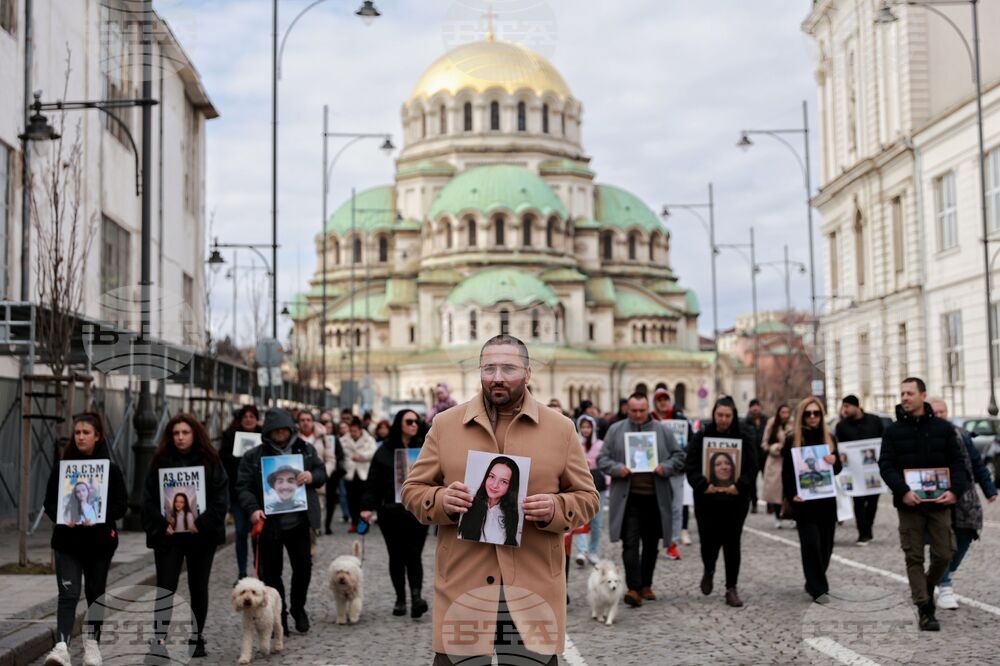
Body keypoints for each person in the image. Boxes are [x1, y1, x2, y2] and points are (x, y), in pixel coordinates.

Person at [401, 334, 598, 665]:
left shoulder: (560, 429)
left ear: (527, 373)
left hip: (532, 591)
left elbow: (588, 498)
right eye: (489, 368)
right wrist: (441, 499)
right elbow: (412, 489)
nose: (497, 377)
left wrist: (556, 508)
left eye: (508, 368)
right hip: (463, 587)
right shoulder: (446, 424)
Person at [879, 378, 966, 631]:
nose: (904, 397)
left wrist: (954, 492)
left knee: (945, 553)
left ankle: (926, 586)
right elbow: (886, 465)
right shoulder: (893, 431)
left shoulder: (943, 428)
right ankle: (925, 608)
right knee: (913, 555)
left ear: (922, 395)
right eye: (902, 393)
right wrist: (903, 491)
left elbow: (958, 463)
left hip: (939, 503)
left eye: (909, 393)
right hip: (909, 505)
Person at [43, 413, 128, 666]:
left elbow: (121, 506)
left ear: (97, 436)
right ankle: (61, 647)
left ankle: (92, 647)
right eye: (77, 432)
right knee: (68, 594)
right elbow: (48, 502)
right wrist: (61, 516)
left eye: (86, 432)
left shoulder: (110, 470)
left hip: (98, 543)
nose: (80, 436)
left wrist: (100, 517)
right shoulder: (62, 468)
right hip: (67, 541)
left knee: (95, 593)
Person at [142, 413, 229, 660]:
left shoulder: (211, 461)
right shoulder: (160, 461)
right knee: (165, 587)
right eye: (175, 433)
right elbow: (148, 499)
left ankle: (197, 636)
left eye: (185, 432)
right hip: (168, 536)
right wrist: (162, 524)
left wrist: (199, 523)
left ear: (195, 434)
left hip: (201, 536)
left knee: (198, 586)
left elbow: (221, 498)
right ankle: (158, 639)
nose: (180, 437)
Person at [237, 408, 327, 635]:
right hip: (269, 525)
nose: (279, 433)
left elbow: (321, 472)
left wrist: (312, 476)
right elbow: (243, 486)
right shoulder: (254, 455)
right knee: (271, 573)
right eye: (275, 430)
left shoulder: (305, 450)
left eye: (283, 429)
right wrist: (253, 509)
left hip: (299, 521)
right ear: (268, 431)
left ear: (290, 429)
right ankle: (280, 614)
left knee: (303, 568)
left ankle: (298, 608)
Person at [598, 393, 685, 607]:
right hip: (629, 500)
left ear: (648, 409)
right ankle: (634, 588)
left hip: (655, 498)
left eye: (641, 410)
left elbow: (679, 456)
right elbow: (602, 459)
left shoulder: (662, 430)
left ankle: (647, 584)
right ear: (627, 409)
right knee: (630, 544)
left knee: (650, 544)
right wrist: (618, 469)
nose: (637, 415)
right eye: (633, 411)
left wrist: (666, 467)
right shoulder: (616, 430)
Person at [685, 397, 757, 607]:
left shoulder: (744, 436)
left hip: (735, 500)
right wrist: (702, 484)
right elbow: (690, 467)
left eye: (727, 416)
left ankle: (731, 588)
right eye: (720, 415)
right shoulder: (702, 437)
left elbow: (753, 467)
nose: (723, 420)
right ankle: (709, 569)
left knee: (732, 543)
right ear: (714, 414)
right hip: (707, 500)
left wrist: (740, 485)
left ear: (733, 416)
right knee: (708, 542)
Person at [928, 398, 998, 610]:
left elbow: (976, 462)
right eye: (935, 412)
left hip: (964, 497)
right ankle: (945, 585)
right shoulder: (924, 435)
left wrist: (988, 489)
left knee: (965, 536)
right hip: (935, 497)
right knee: (940, 540)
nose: (939, 415)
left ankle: (941, 573)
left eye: (942, 411)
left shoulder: (961, 434)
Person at [360, 409, 430, 618]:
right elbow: (372, 481)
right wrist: (367, 506)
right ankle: (400, 598)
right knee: (396, 556)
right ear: (399, 423)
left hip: (417, 511)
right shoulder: (384, 452)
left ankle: (416, 597)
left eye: (417, 421)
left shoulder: (425, 450)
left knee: (415, 555)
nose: (414, 424)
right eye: (409, 421)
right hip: (390, 511)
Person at [781, 397, 842, 604]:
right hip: (804, 503)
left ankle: (813, 579)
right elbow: (787, 473)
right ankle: (818, 588)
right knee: (810, 544)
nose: (813, 417)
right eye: (808, 413)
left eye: (816, 413)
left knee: (826, 547)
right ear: (802, 416)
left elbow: (837, 469)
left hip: (826, 501)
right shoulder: (793, 439)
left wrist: (835, 461)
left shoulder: (830, 437)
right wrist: (791, 496)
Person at [834, 394, 885, 546]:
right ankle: (863, 534)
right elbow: (840, 446)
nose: (845, 410)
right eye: (843, 406)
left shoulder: (874, 421)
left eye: (847, 406)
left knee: (873, 501)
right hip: (854, 471)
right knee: (858, 501)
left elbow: (882, 440)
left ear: (856, 406)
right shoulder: (842, 426)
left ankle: (867, 527)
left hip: (873, 469)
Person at [219, 405, 261, 580]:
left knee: (257, 534)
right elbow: (222, 461)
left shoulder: (264, 436)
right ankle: (242, 571)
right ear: (241, 419)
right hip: (237, 494)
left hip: (258, 496)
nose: (249, 419)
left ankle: (256, 570)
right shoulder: (230, 436)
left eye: (252, 416)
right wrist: (239, 458)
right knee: (241, 532)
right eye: (246, 416)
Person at [651, 387, 693, 553]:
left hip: (676, 470)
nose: (663, 403)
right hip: (656, 470)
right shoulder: (650, 420)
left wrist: (684, 454)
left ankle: (673, 542)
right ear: (655, 402)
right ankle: (656, 538)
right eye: (659, 400)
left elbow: (691, 440)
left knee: (676, 507)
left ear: (670, 401)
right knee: (656, 507)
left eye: (665, 399)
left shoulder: (681, 419)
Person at [458, 456, 523, 546]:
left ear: (511, 486)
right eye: (492, 476)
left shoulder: (512, 514)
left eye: (503, 481)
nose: (495, 485)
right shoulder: (468, 504)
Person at [573, 414, 606, 566]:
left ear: (593, 428)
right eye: (583, 427)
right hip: (579, 484)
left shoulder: (600, 444)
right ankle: (582, 550)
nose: (586, 430)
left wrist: (607, 479)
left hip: (598, 483)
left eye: (588, 427)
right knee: (580, 519)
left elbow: (605, 462)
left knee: (597, 522)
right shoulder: (574, 443)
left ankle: (593, 551)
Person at [297, 411, 337, 537]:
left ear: (313, 422)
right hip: (298, 484)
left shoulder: (322, 438)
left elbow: (331, 459)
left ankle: (312, 540)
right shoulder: (293, 438)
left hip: (317, 483)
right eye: (302, 420)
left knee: (314, 515)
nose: (305, 423)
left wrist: (322, 474)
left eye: (308, 420)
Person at [341, 416, 376, 532]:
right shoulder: (343, 440)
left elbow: (373, 453)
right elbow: (341, 455)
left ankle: (364, 525)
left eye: (355, 431)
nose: (353, 433)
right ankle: (354, 523)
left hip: (364, 474)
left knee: (364, 501)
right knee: (351, 500)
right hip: (350, 473)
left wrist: (362, 456)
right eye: (351, 431)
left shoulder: (369, 440)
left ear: (360, 430)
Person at [761, 404, 792, 528]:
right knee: (776, 491)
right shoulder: (772, 424)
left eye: (787, 412)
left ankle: (790, 515)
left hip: (788, 460)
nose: (785, 415)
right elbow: (764, 442)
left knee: (789, 490)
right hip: (775, 461)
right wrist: (772, 448)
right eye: (782, 412)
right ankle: (777, 516)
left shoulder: (793, 424)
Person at [741, 398, 767, 513]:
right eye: (753, 406)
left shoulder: (765, 420)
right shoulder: (745, 421)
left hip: (764, 454)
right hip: (751, 455)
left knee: (767, 480)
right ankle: (754, 503)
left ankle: (770, 503)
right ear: (750, 408)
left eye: (757, 405)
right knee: (752, 482)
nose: (755, 408)